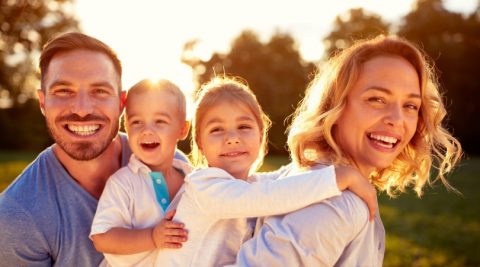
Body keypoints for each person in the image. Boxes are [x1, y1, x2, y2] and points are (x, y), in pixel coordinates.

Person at [230, 36, 463, 266]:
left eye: (410, 105)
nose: (397, 119)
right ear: (336, 107)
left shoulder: (303, 178)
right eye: (377, 99)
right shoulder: (335, 205)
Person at [0, 32, 186, 266]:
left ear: (120, 103)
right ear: (43, 102)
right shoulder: (17, 216)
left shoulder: (168, 164)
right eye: (63, 91)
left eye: (99, 91)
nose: (82, 109)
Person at [155, 76, 378, 267]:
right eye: (216, 130)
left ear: (260, 134)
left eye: (243, 127)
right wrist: (339, 177)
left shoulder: (246, 184)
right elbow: (269, 195)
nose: (232, 138)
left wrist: (321, 162)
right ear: (200, 143)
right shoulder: (203, 185)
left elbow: (278, 179)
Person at [90, 79, 191, 266]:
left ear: (182, 129)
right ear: (126, 128)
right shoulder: (123, 183)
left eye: (160, 121)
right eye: (137, 122)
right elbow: (102, 238)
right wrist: (152, 237)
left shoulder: (193, 181)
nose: (146, 130)